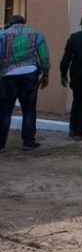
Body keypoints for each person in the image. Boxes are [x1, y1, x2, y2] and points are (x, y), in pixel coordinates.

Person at [0, 16, 50, 152]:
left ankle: (1, 144)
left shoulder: (3, 35)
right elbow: (44, 56)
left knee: (4, 110)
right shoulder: (36, 34)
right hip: (30, 73)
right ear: (24, 22)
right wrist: (45, 74)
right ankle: (28, 142)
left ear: (11, 23)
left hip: (8, 75)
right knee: (29, 108)